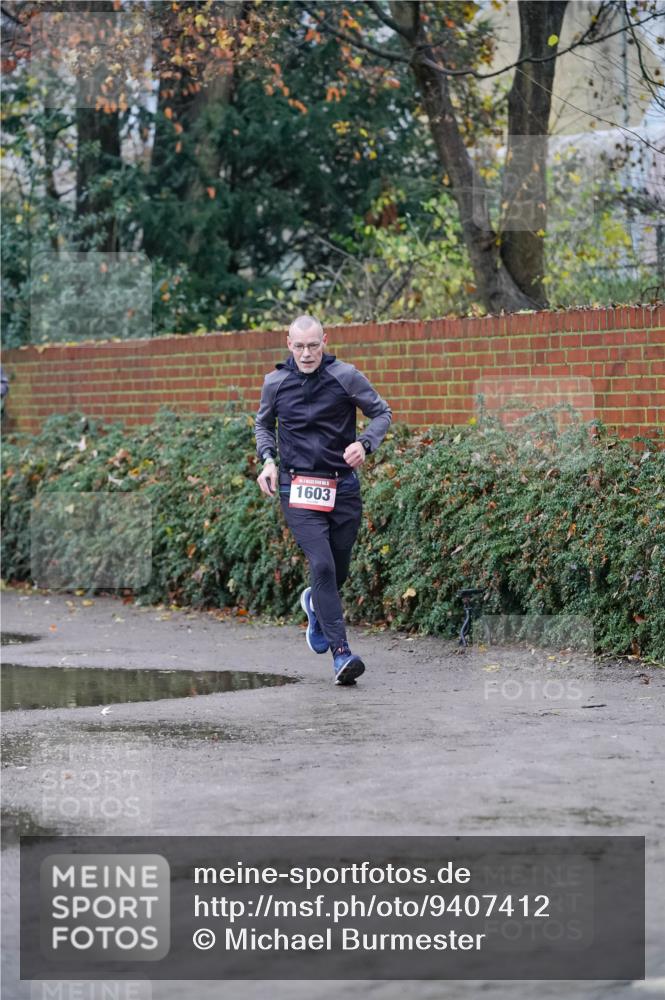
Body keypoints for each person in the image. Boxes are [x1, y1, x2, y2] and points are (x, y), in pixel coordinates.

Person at [255, 315, 392, 686]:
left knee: (337, 571)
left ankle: (315, 603)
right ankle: (342, 655)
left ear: (325, 341)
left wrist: (365, 444)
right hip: (297, 489)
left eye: (313, 345)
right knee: (323, 565)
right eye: (299, 346)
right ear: (288, 344)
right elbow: (263, 425)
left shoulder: (345, 377)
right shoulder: (275, 383)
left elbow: (382, 413)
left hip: (342, 488)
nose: (306, 353)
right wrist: (268, 461)